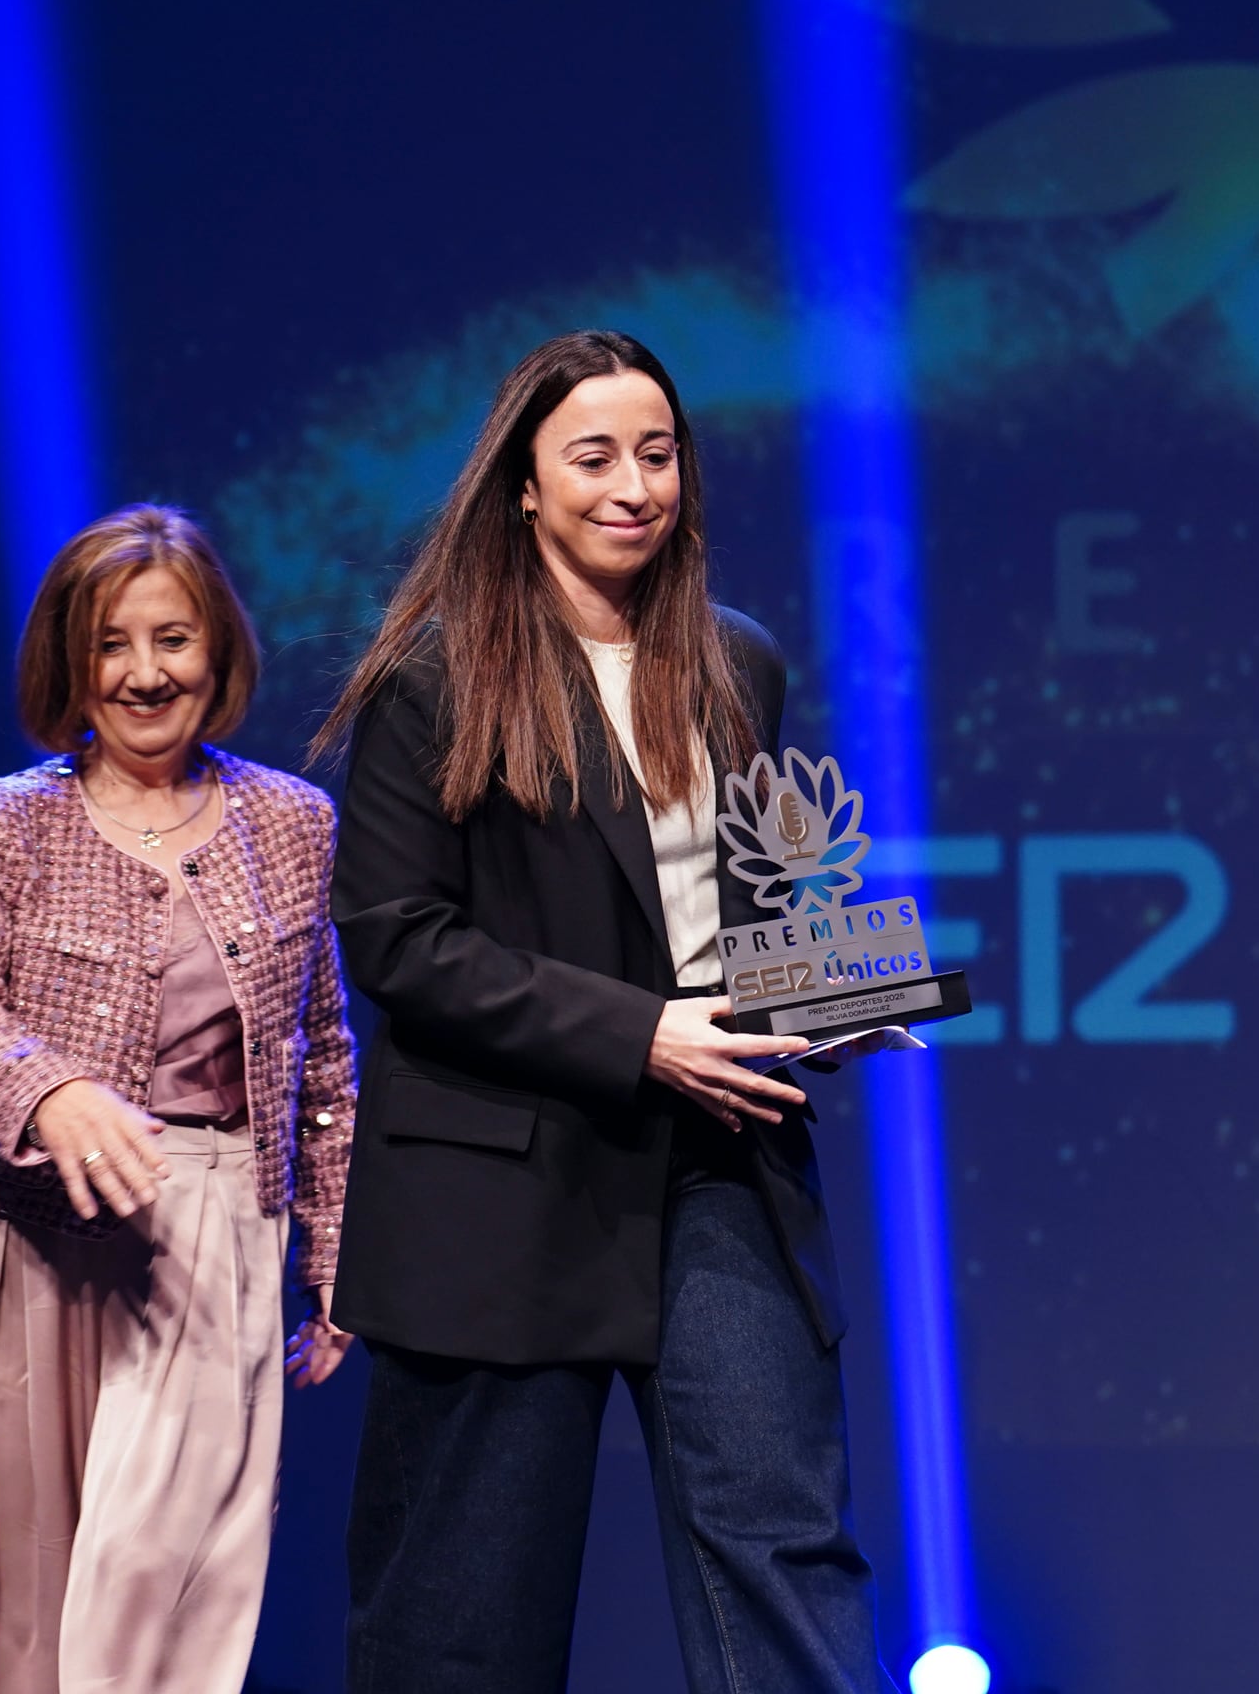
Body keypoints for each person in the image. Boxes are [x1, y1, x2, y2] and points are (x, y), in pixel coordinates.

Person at [313, 331, 891, 1692]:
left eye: (659, 452)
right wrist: (639, 1036)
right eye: (594, 457)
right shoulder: (435, 681)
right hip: (508, 1177)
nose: (634, 485)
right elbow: (400, 943)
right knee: (470, 1597)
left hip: (720, 1162)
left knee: (782, 1547)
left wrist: (834, 990)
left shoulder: (734, 664)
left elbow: (735, 912)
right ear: (522, 484)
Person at [0, 502, 359, 1694]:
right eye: (111, 644)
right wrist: (48, 1095)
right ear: (69, 659)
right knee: (11, 1600)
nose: (145, 674)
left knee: (153, 1577)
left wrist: (340, 1251)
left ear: (220, 652)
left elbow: (321, 1057)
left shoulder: (291, 823)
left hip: (207, 1232)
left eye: (174, 639)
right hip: (18, 1242)